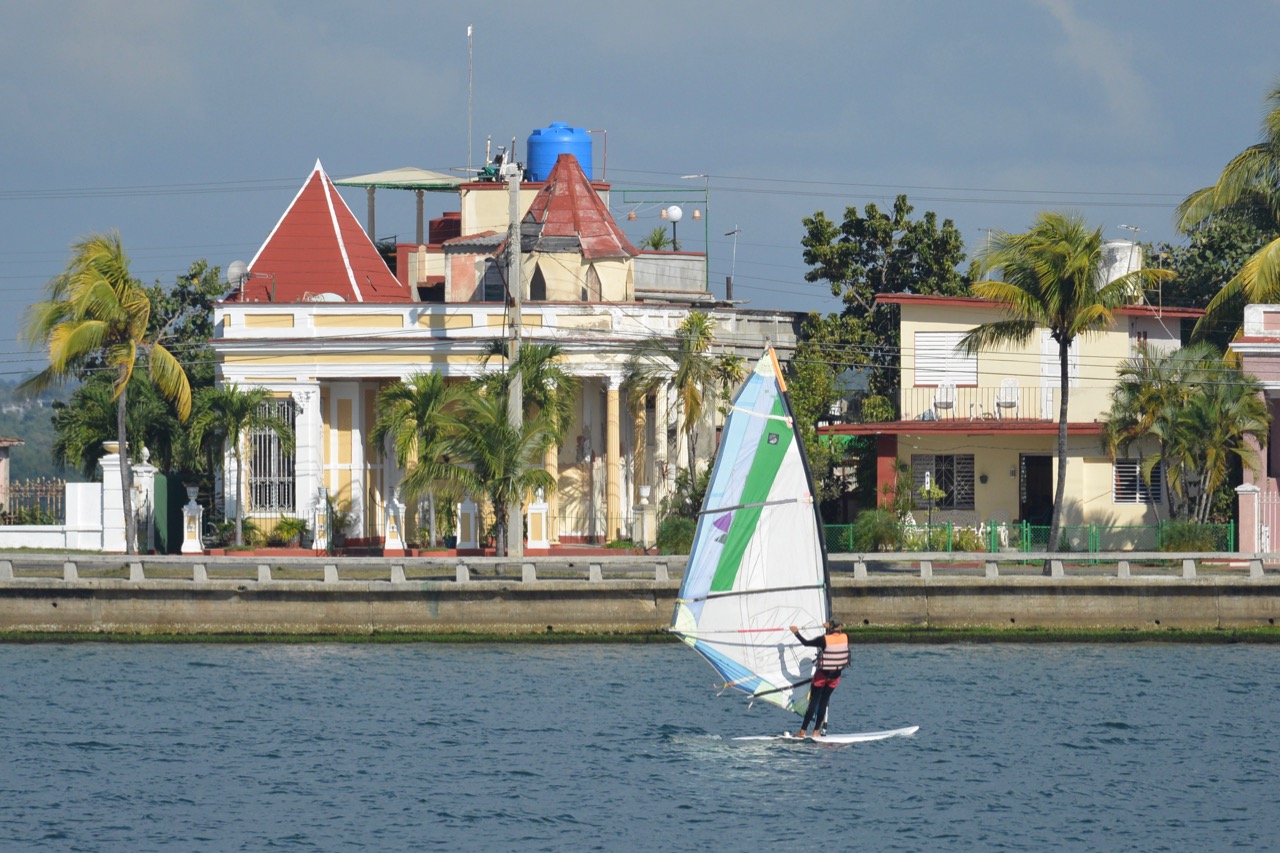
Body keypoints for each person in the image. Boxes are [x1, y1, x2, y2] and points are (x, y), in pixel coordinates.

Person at [789, 619, 850, 738]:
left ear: (829, 627)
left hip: (822, 676)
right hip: (835, 677)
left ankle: (802, 731)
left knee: (814, 702)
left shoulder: (824, 639)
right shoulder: (846, 637)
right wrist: (829, 628)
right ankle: (816, 731)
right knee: (824, 702)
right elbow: (835, 639)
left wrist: (796, 632)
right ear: (840, 626)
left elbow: (806, 643)